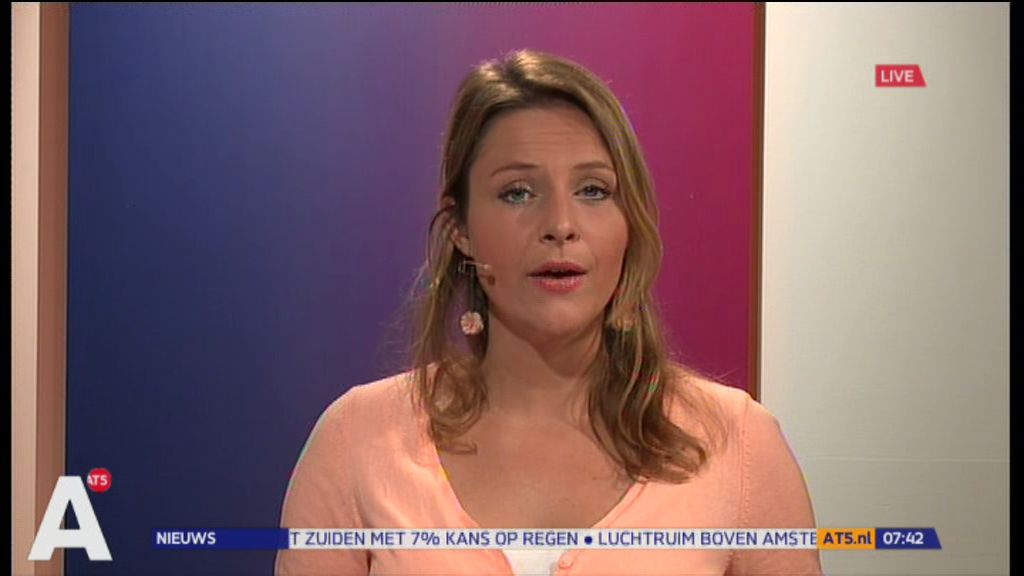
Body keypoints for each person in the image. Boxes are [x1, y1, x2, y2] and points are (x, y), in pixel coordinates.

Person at [275, 48, 822, 576]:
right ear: (460, 228)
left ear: (630, 222)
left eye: (593, 190)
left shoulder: (737, 442)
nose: (560, 224)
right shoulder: (357, 439)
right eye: (517, 193)